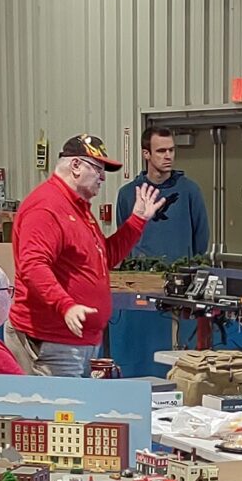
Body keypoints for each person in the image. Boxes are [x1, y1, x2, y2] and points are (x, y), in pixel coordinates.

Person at [10, 136, 160, 376]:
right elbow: (33, 266)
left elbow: (103, 258)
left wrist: (137, 221)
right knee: (61, 402)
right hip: (54, 341)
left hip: (76, 341)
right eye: (98, 169)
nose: (103, 178)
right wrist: (66, 306)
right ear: (76, 166)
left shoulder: (78, 209)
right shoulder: (46, 208)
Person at [117, 126, 210, 261]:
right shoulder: (127, 194)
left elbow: (201, 240)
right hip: (141, 271)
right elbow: (123, 241)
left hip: (180, 270)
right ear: (146, 154)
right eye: (161, 151)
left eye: (171, 150)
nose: (168, 156)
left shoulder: (190, 191)